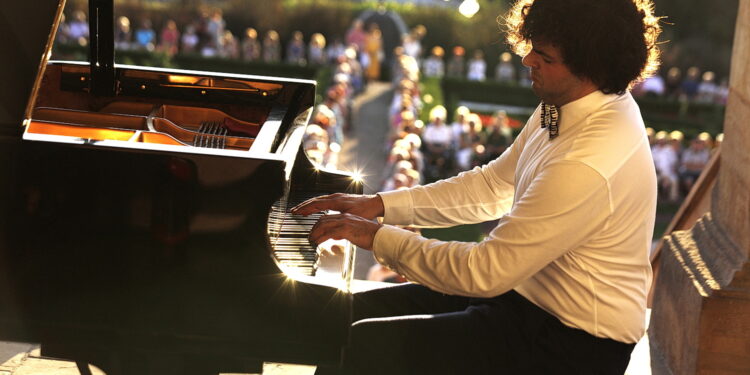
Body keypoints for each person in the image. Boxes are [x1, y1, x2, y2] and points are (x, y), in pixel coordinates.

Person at [294, 0, 662, 373]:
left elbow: (485, 272)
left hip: (572, 340)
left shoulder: (589, 158)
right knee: (346, 316)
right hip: (523, 299)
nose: (527, 60)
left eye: (545, 57)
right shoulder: (571, 99)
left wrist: (378, 237)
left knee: (369, 345)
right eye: (532, 46)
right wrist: (379, 204)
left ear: (591, 68)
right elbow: (492, 186)